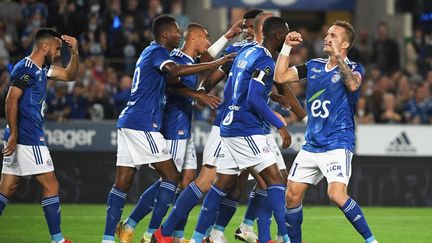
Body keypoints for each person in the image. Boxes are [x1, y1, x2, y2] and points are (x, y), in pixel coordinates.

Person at [101, 15, 233, 243]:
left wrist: (227, 38)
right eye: (176, 31)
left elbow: (204, 58)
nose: (179, 33)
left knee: (180, 181)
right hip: (160, 124)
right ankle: (150, 233)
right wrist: (199, 90)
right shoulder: (166, 55)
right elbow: (176, 76)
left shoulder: (168, 55)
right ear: (166, 34)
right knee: (170, 178)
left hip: (167, 124)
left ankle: (126, 235)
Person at [274, 20, 378, 243]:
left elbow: (352, 85)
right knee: (291, 196)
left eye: (333, 35)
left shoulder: (355, 68)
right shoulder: (313, 65)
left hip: (338, 142)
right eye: (327, 34)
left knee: (336, 195)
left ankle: (371, 241)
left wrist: (338, 58)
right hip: (312, 143)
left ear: (345, 44)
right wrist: (286, 47)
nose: (327, 37)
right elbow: (280, 77)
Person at [0, 28, 79, 243]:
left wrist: (75, 53)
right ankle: (58, 240)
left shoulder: (42, 69)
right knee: (51, 185)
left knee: (8, 187)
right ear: (44, 46)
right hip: (28, 136)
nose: (57, 53)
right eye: (56, 48)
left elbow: (70, 75)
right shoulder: (25, 68)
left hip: (20, 135)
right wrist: (15, 133)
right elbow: (11, 99)